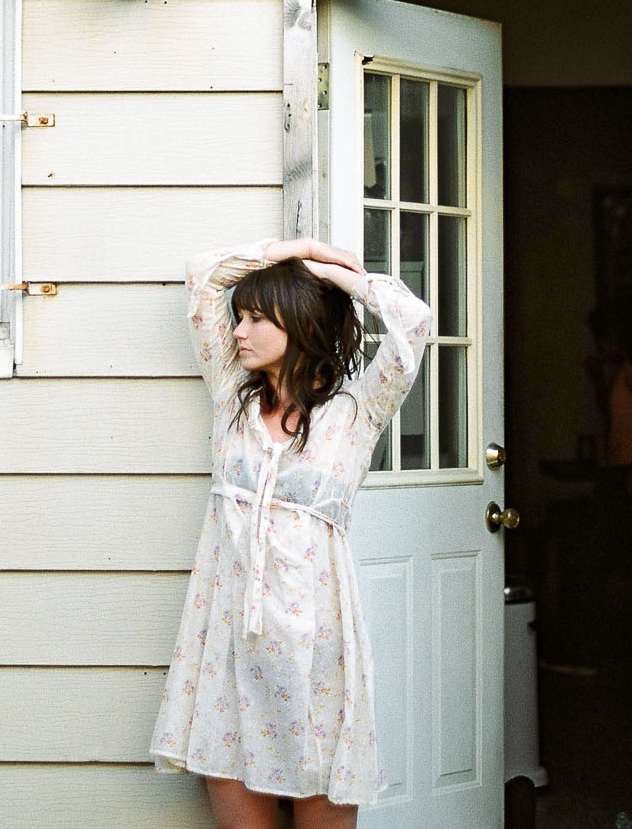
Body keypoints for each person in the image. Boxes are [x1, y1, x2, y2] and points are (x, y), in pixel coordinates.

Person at [151, 236, 431, 829]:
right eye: (240, 317)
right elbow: (202, 277)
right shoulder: (231, 399)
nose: (238, 332)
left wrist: (329, 274)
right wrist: (290, 248)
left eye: (255, 317)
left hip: (316, 656)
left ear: (298, 321)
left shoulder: (354, 414)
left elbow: (413, 321)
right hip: (228, 649)